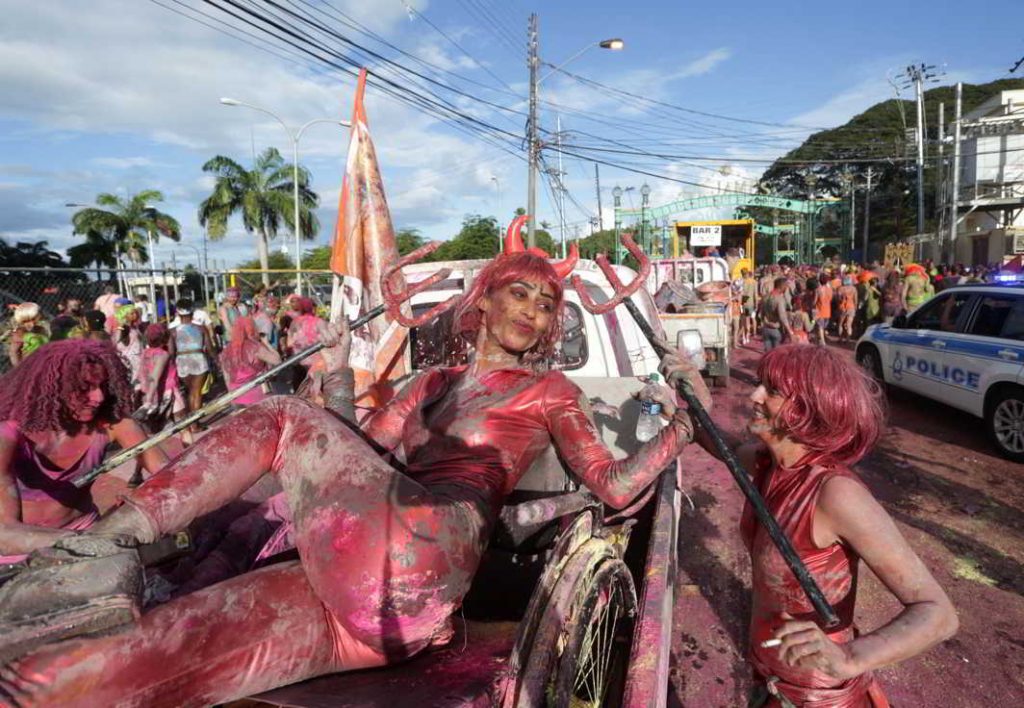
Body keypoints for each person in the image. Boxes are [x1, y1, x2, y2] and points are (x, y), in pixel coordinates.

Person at [0, 248, 701, 706]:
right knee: (91, 670)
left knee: (277, 414)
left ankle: (100, 545)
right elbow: (357, 452)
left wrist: (681, 424)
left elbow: (612, 487)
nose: (533, 311)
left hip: (431, 547)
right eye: (519, 293)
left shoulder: (551, 393)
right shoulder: (429, 381)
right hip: (364, 599)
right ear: (482, 300)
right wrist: (336, 372)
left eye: (547, 304)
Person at [669, 344, 957, 706]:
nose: (754, 395)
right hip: (770, 676)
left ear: (808, 409)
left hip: (815, 696)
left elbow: (938, 613)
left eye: (772, 391)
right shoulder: (769, 464)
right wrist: (695, 397)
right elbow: (725, 449)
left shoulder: (835, 494)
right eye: (760, 383)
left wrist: (849, 658)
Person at [0, 340, 170, 561]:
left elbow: (171, 479)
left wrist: (141, 505)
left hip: (88, 533)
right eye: (84, 388)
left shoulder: (112, 424)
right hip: (20, 553)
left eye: (102, 386)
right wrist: (85, 542)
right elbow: (5, 533)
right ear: (52, 389)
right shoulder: (9, 434)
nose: (98, 398)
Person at [220, 316, 282, 407]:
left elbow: (227, 377)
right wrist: (267, 344)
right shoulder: (254, 347)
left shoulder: (226, 350)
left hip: (236, 394)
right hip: (255, 393)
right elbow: (278, 361)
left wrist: (231, 396)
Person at [168, 298, 214, 418]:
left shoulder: (173, 331)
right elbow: (210, 348)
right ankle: (196, 423)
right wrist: (216, 360)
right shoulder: (201, 328)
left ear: (178, 313)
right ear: (192, 312)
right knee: (197, 393)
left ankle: (191, 422)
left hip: (182, 362)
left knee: (189, 393)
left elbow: (171, 352)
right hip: (199, 360)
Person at [6, 302, 49, 367]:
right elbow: (14, 352)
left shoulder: (41, 330)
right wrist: (19, 367)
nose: (31, 323)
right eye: (26, 321)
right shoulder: (19, 333)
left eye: (34, 319)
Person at [114, 303, 144, 391]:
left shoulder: (134, 327)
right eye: (131, 313)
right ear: (124, 315)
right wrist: (121, 327)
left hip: (138, 355)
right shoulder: (124, 327)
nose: (135, 315)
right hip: (131, 357)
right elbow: (118, 338)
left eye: (135, 313)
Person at [760, 277, 791, 352]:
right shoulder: (779, 299)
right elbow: (782, 316)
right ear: (782, 286)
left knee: (767, 353)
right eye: (786, 286)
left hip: (766, 328)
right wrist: (790, 331)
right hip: (776, 328)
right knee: (776, 354)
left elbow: (761, 314)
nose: (787, 288)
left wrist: (765, 322)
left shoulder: (765, 297)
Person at [836, 277, 859, 342]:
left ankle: (840, 338)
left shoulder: (840, 289)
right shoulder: (854, 289)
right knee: (849, 324)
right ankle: (848, 339)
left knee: (840, 324)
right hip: (851, 307)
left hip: (842, 308)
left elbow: (838, 299)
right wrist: (855, 307)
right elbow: (856, 300)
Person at [813, 275, 833, 346]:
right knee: (823, 326)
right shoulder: (830, 289)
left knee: (820, 326)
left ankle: (822, 341)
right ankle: (821, 338)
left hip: (819, 310)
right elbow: (830, 299)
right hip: (827, 310)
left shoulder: (817, 289)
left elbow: (814, 301)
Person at [741, 268, 758, 346]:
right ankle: (749, 335)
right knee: (751, 318)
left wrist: (743, 302)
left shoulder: (741, 281)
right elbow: (755, 294)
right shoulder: (754, 282)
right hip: (751, 303)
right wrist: (756, 303)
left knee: (744, 320)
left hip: (743, 303)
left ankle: (744, 337)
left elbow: (741, 294)